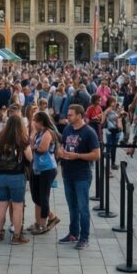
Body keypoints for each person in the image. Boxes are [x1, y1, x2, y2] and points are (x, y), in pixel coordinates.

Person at [58, 104, 100, 250]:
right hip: (68, 173)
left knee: (83, 208)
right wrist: (60, 151)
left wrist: (77, 156)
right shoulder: (68, 129)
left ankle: (84, 237)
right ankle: (73, 233)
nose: (67, 117)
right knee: (72, 206)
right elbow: (62, 144)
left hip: (82, 175)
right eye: (68, 115)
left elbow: (96, 154)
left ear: (79, 116)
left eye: (70, 115)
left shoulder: (89, 132)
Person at [0, 115, 32, 245]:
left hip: (0, 175)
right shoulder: (22, 139)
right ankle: (16, 236)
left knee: (2, 204)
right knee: (17, 207)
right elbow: (30, 158)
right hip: (16, 175)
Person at [30, 111, 61, 235]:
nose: (33, 122)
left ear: (40, 122)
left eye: (35, 120)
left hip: (47, 169)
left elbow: (43, 149)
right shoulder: (39, 132)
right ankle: (48, 219)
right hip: (38, 168)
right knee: (36, 197)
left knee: (43, 197)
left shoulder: (48, 133)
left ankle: (43, 224)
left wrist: (31, 147)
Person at [101, 98, 123, 170]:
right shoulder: (107, 111)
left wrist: (120, 113)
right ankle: (107, 164)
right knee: (109, 148)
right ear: (109, 103)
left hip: (117, 130)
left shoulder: (117, 109)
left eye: (114, 101)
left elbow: (120, 118)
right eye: (112, 102)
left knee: (114, 148)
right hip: (109, 131)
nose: (114, 103)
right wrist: (106, 111)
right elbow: (102, 121)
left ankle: (113, 163)